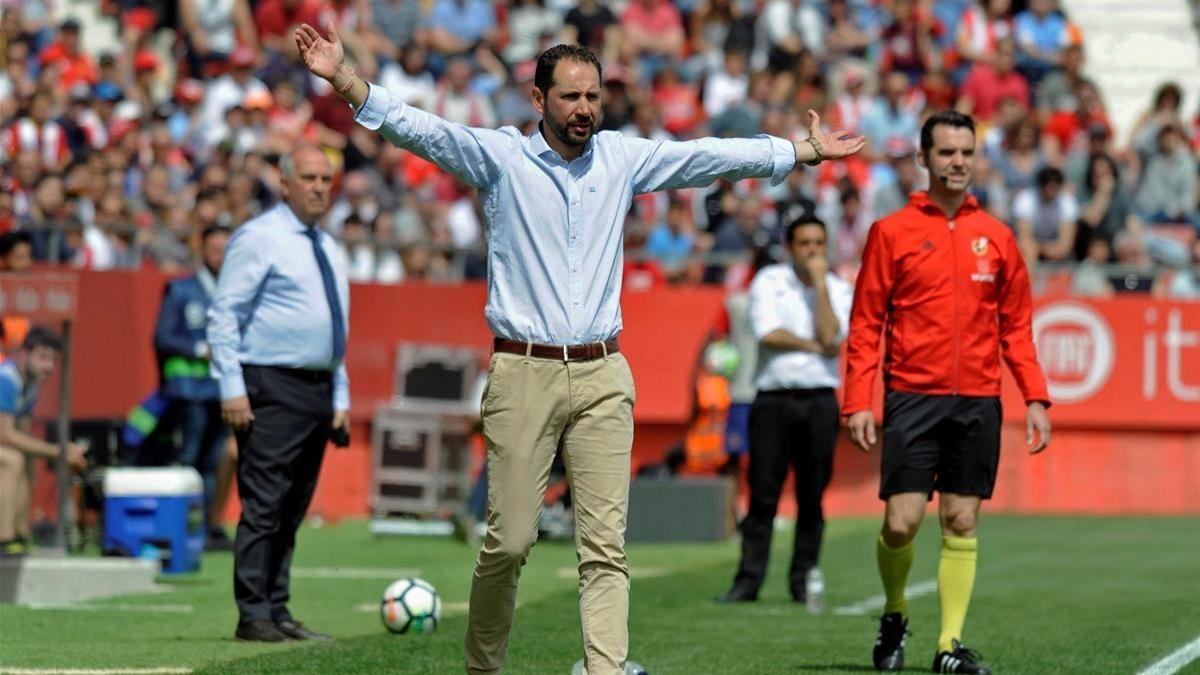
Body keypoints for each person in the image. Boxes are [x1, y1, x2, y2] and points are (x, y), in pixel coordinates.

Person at [294, 24, 863, 675]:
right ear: (538, 99)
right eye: (570, 96)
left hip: (602, 372)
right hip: (522, 368)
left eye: (593, 95)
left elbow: (704, 156)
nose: (585, 108)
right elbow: (416, 127)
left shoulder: (619, 158)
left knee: (605, 547)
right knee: (508, 542)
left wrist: (797, 149)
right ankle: (483, 666)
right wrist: (344, 78)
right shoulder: (500, 158)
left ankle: (604, 667)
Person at [844, 111, 1052, 674]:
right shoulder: (891, 233)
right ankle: (894, 614)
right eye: (946, 153)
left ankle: (947, 646)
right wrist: (858, 398)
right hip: (912, 398)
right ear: (924, 158)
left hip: (979, 400)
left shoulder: (1000, 237)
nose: (957, 162)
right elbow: (866, 324)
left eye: (966, 152)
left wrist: (1034, 396)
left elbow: (1016, 328)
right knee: (900, 524)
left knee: (961, 521)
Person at [207, 146, 351, 643]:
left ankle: (278, 607)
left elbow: (335, 330)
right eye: (308, 177)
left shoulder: (328, 246)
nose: (318, 187)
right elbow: (224, 315)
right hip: (269, 382)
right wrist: (230, 386)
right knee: (265, 503)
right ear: (285, 184)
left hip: (315, 386)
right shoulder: (260, 238)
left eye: (325, 179)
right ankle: (253, 612)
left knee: (292, 506)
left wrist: (339, 395)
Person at [717, 216, 851, 614]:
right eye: (805, 243)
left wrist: (821, 284)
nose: (812, 250)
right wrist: (813, 345)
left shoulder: (839, 288)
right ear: (790, 247)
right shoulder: (769, 281)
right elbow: (768, 334)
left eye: (818, 243)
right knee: (763, 494)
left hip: (820, 400)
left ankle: (802, 579)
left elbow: (833, 337)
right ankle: (748, 580)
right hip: (773, 399)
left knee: (813, 497)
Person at [152, 225, 235, 551]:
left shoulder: (235, 293)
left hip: (221, 390)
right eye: (215, 249)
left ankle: (208, 529)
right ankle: (180, 527)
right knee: (188, 457)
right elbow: (163, 337)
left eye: (226, 250)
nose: (221, 256)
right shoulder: (182, 290)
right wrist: (202, 349)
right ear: (203, 250)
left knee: (215, 462)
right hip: (190, 392)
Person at [0, 327, 88, 556]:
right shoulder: (6, 380)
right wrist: (59, 452)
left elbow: (23, 433)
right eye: (42, 357)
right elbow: (6, 435)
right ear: (24, 354)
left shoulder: (31, 386)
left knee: (26, 461)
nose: (48, 366)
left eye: (52, 360)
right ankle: (4, 538)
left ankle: (20, 534)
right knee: (11, 461)